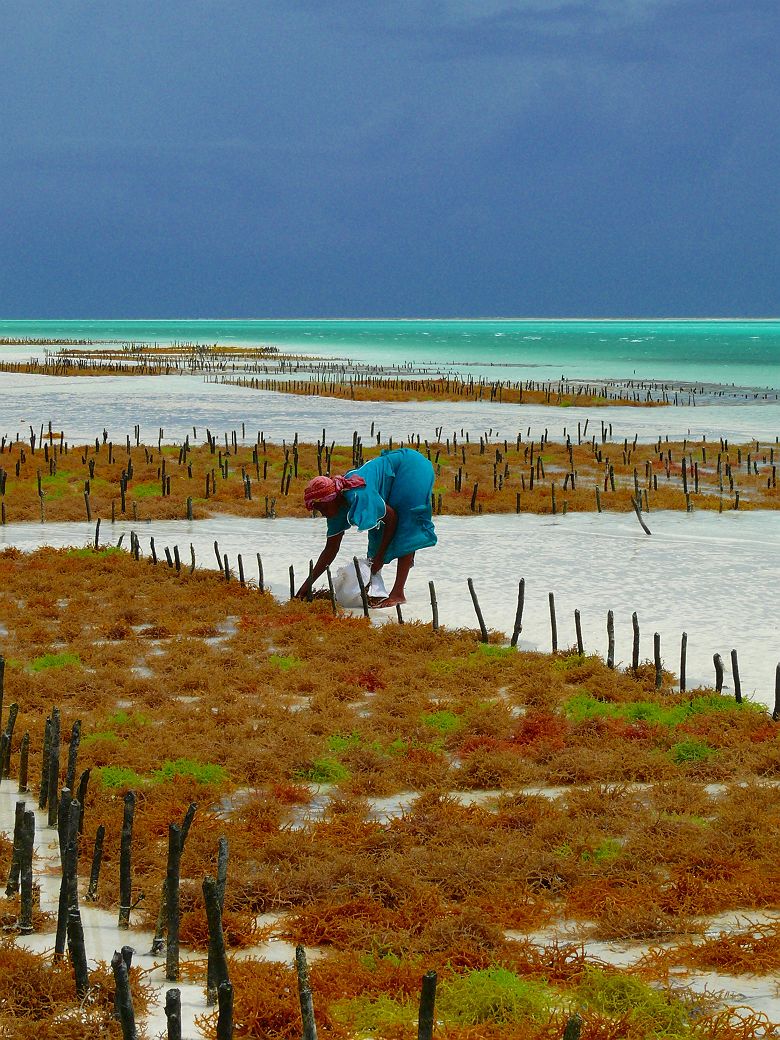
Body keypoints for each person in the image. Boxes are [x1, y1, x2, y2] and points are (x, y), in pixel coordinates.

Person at [296, 447, 437, 607]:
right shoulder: (334, 510)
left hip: (411, 467)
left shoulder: (358, 495)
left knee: (407, 525)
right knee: (377, 533)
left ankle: (398, 593)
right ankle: (375, 591)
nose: (321, 513)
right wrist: (307, 585)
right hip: (392, 474)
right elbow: (330, 550)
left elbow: (391, 518)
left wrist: (380, 557)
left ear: (331, 499)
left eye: (321, 508)